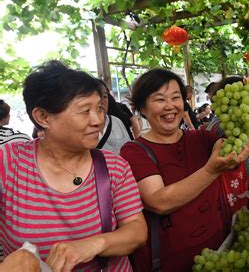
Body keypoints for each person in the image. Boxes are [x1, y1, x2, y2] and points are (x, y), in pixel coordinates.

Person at [0, 60, 147, 271]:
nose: (98, 120)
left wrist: (95, 244)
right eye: (84, 110)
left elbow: (137, 231)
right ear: (43, 117)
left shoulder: (113, 166)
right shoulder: (7, 163)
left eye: (99, 109)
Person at [120, 69, 249, 272]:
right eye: (159, 99)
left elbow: (238, 153)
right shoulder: (134, 151)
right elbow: (159, 201)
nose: (170, 106)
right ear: (142, 108)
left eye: (176, 98)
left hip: (217, 252)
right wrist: (210, 171)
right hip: (169, 260)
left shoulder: (201, 138)